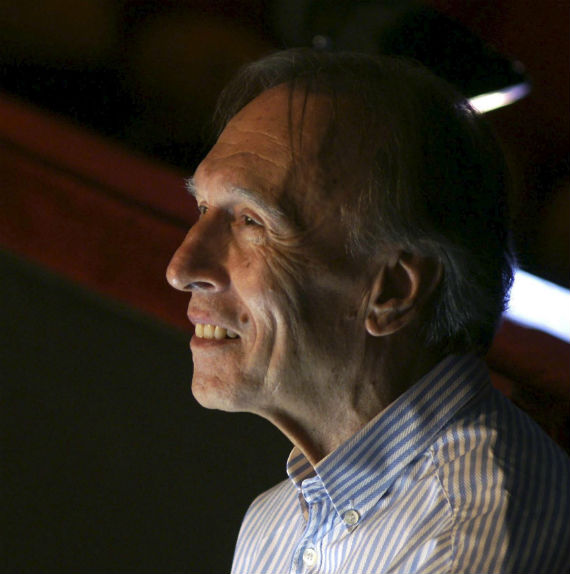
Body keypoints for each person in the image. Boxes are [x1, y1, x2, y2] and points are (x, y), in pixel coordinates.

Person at [166, 49, 570, 574]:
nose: (181, 267)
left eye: (251, 221)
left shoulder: (463, 546)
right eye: (202, 207)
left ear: (393, 290)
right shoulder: (276, 522)